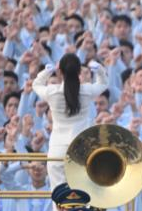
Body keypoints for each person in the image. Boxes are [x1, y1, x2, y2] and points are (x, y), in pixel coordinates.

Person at [32, 53, 108, 188]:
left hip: (57, 151)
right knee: (83, 195)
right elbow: (103, 83)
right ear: (79, 72)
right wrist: (98, 69)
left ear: (60, 72)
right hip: (82, 150)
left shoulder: (52, 92)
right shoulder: (87, 90)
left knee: (59, 196)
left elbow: (36, 85)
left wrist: (47, 71)